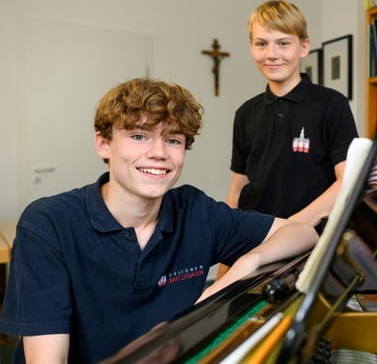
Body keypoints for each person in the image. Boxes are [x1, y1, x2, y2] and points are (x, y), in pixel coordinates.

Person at [0, 78, 318, 363]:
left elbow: (303, 233)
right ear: (103, 144)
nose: (158, 152)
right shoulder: (48, 224)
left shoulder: (196, 211)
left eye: (173, 140)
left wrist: (246, 265)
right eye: (139, 136)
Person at [226, 0, 358, 226]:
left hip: (313, 243)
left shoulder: (332, 105)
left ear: (304, 47)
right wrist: (226, 256)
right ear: (251, 48)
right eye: (261, 44)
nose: (272, 54)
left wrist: (288, 228)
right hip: (257, 240)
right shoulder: (245, 114)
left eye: (283, 43)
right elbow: (238, 187)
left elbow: (347, 181)